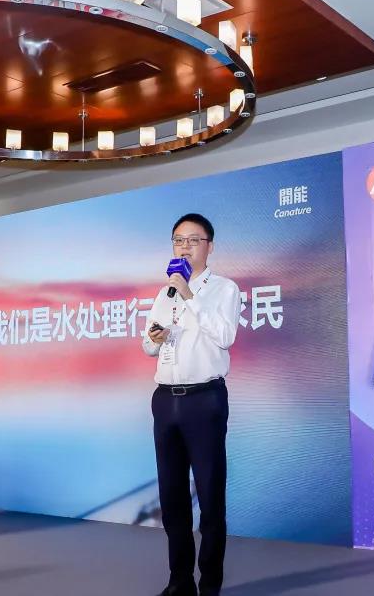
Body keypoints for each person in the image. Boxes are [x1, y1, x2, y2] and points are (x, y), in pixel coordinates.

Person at [142, 213, 241, 596]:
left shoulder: (224, 289)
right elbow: (149, 346)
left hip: (204, 400)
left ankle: (210, 584)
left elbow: (225, 336)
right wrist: (159, 333)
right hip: (166, 401)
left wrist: (188, 295)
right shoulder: (163, 294)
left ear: (209, 246)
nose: (184, 247)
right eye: (178, 240)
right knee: (172, 497)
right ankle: (179, 581)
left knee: (210, 497)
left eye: (193, 240)